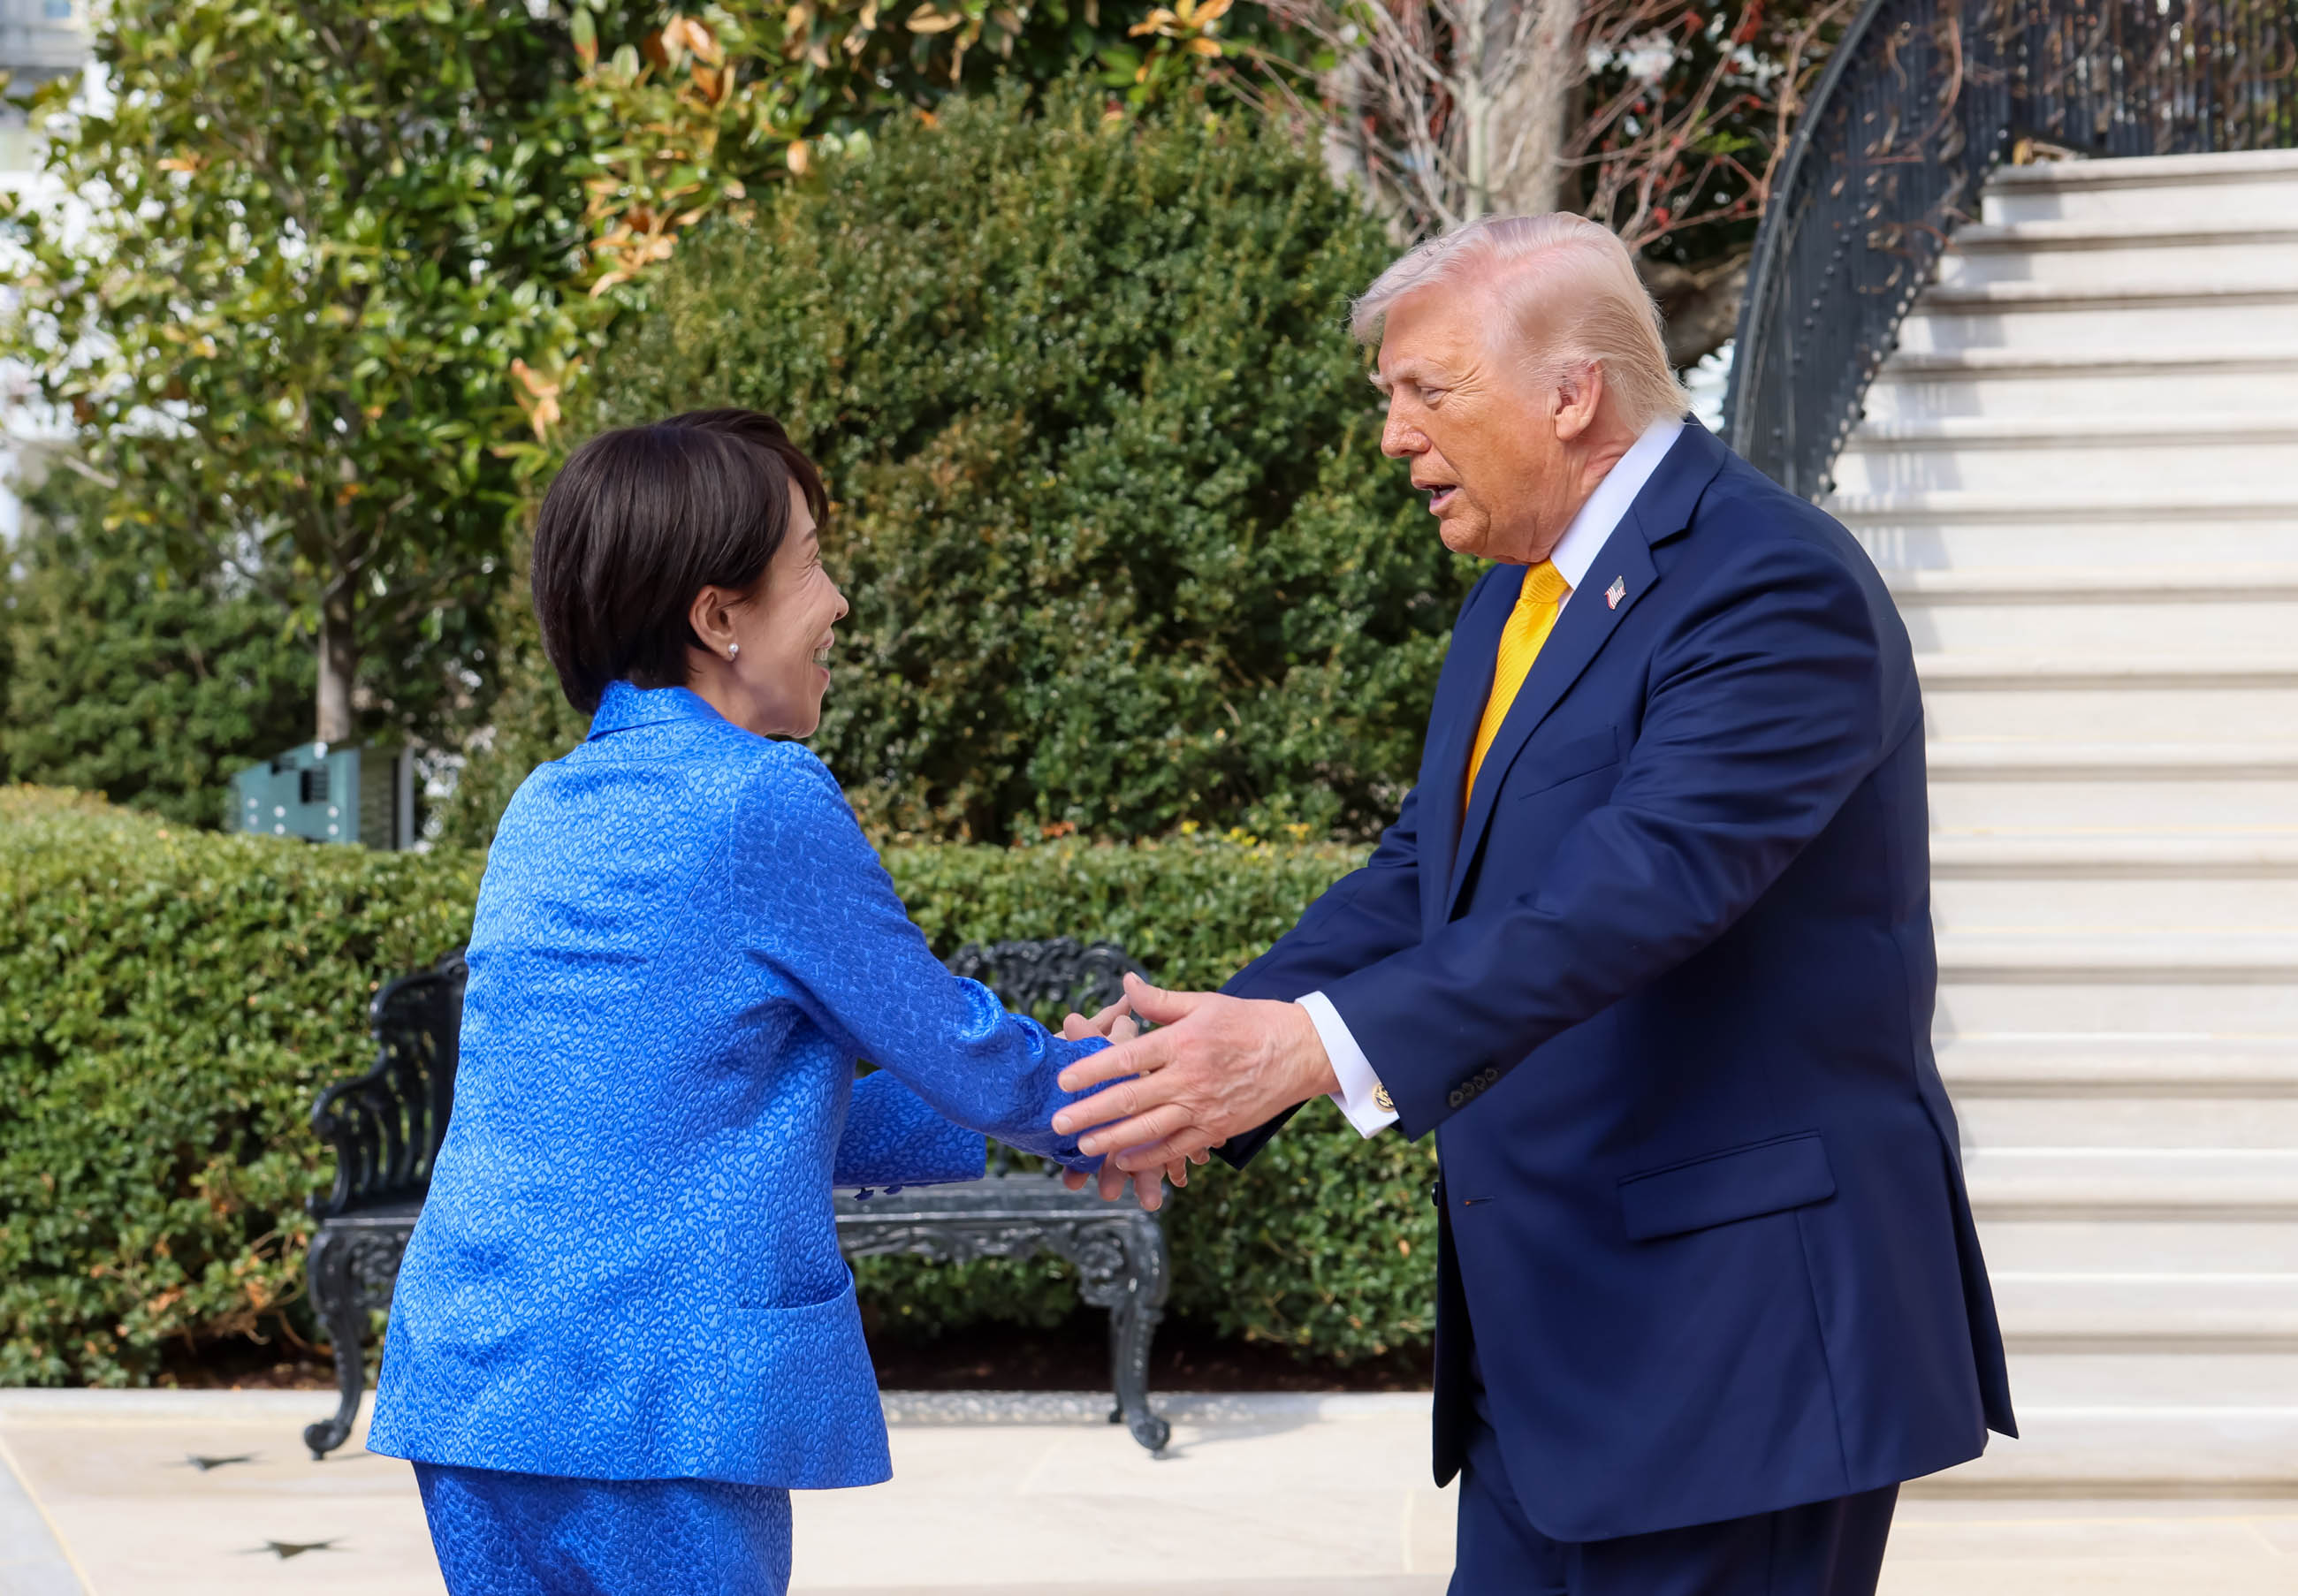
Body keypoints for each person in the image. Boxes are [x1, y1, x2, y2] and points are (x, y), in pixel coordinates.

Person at [1051, 216, 2016, 1595]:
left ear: (1573, 394)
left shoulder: (1770, 585)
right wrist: (1205, 1056)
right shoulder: (1516, 597)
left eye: (1425, 391)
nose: (1393, 435)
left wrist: (1304, 1051)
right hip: (1553, 1365)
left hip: (1734, 1360)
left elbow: (1629, 891)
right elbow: (1424, 871)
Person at [365, 408, 1174, 1596]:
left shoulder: (546, 803)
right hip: (653, 1400)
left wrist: (1065, 1114)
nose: (838, 598)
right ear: (720, 617)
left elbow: (720, 1109)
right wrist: (1117, 1091)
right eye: (810, 559)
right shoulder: (760, 800)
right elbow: (954, 1043)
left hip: (476, 1385)